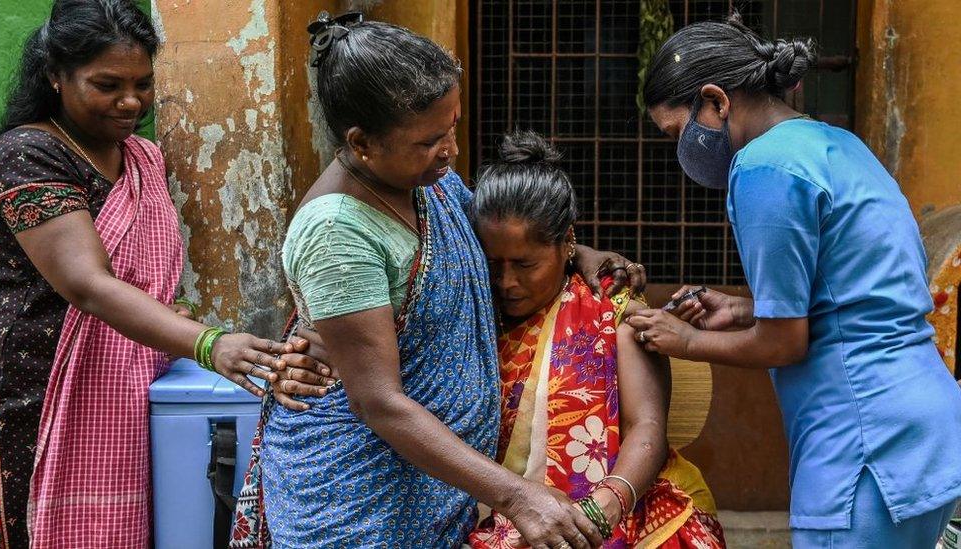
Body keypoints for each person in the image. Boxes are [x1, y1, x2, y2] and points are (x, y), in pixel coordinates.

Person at [231, 13, 639, 549]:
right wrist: (516, 496)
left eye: (452, 126)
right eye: (429, 139)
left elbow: (495, 237)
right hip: (357, 499)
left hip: (434, 488)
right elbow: (378, 401)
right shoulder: (336, 234)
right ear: (362, 144)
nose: (449, 149)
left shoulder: (424, 182)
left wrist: (578, 252)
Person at [628, 13, 961, 548]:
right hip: (924, 431)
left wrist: (689, 341)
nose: (681, 151)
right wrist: (743, 310)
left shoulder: (764, 169)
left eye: (678, 132)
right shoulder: (836, 145)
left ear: (715, 102)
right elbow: (849, 295)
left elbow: (785, 341)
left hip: (863, 445)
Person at [0, 1, 294, 546]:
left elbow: (137, 275)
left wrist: (160, 316)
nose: (131, 102)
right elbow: (87, 284)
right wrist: (208, 343)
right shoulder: (26, 153)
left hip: (131, 384)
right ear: (55, 75)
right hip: (38, 394)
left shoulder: (142, 158)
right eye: (107, 85)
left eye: (143, 84)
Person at [463, 131, 725, 548]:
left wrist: (606, 504)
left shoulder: (612, 306)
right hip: (518, 516)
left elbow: (648, 425)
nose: (506, 282)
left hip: (628, 507)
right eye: (493, 263)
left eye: (525, 264)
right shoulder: (474, 312)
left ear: (568, 242)